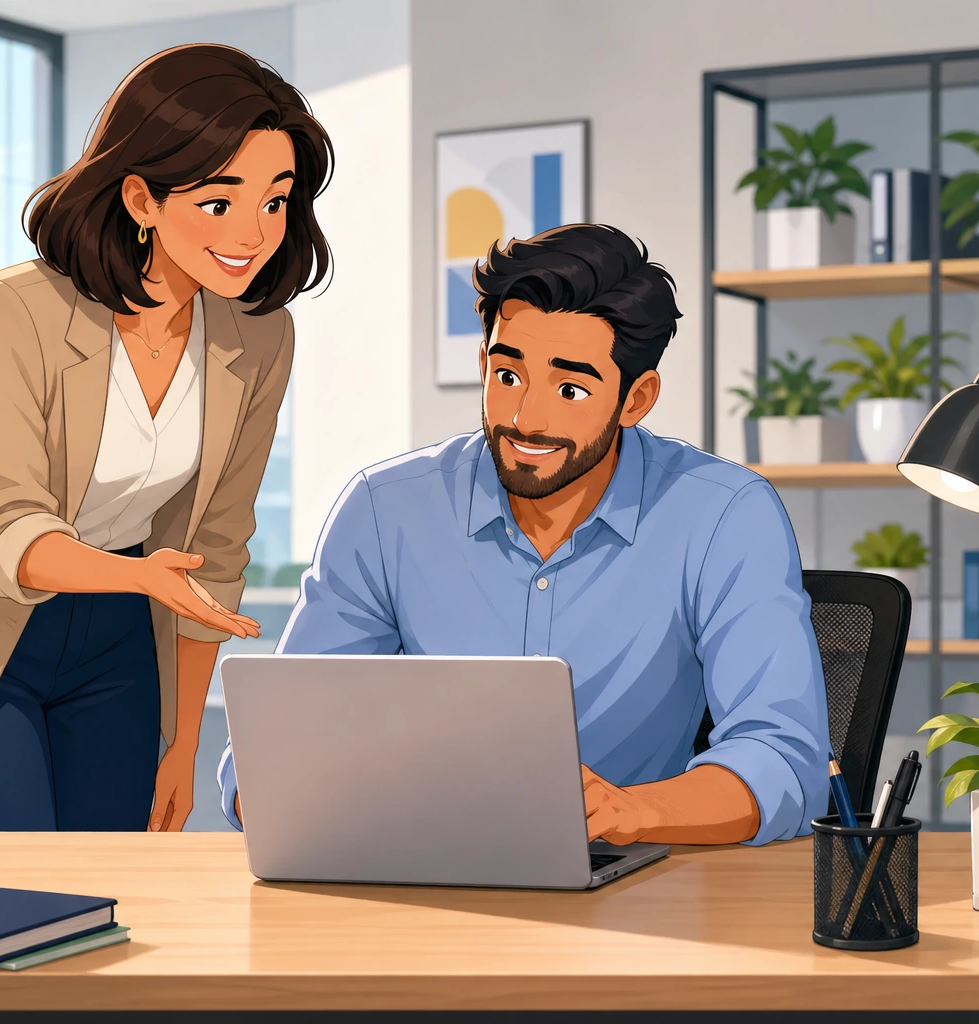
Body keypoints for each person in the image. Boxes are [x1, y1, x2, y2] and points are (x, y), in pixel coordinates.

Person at [218, 223, 829, 846]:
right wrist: (283, 786)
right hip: (426, 876)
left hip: (642, 892)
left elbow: (783, 761)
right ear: (483, 363)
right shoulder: (385, 510)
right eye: (508, 376)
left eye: (570, 389)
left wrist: (630, 812)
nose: (526, 418)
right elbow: (270, 753)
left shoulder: (725, 515)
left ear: (635, 399)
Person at [0, 44, 332, 833]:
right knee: (9, 904)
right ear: (142, 198)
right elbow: (5, 531)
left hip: (117, 641)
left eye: (276, 202)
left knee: (109, 896)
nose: (254, 233)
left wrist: (182, 746)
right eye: (220, 203)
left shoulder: (258, 338)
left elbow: (215, 546)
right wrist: (144, 577)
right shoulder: (15, 310)